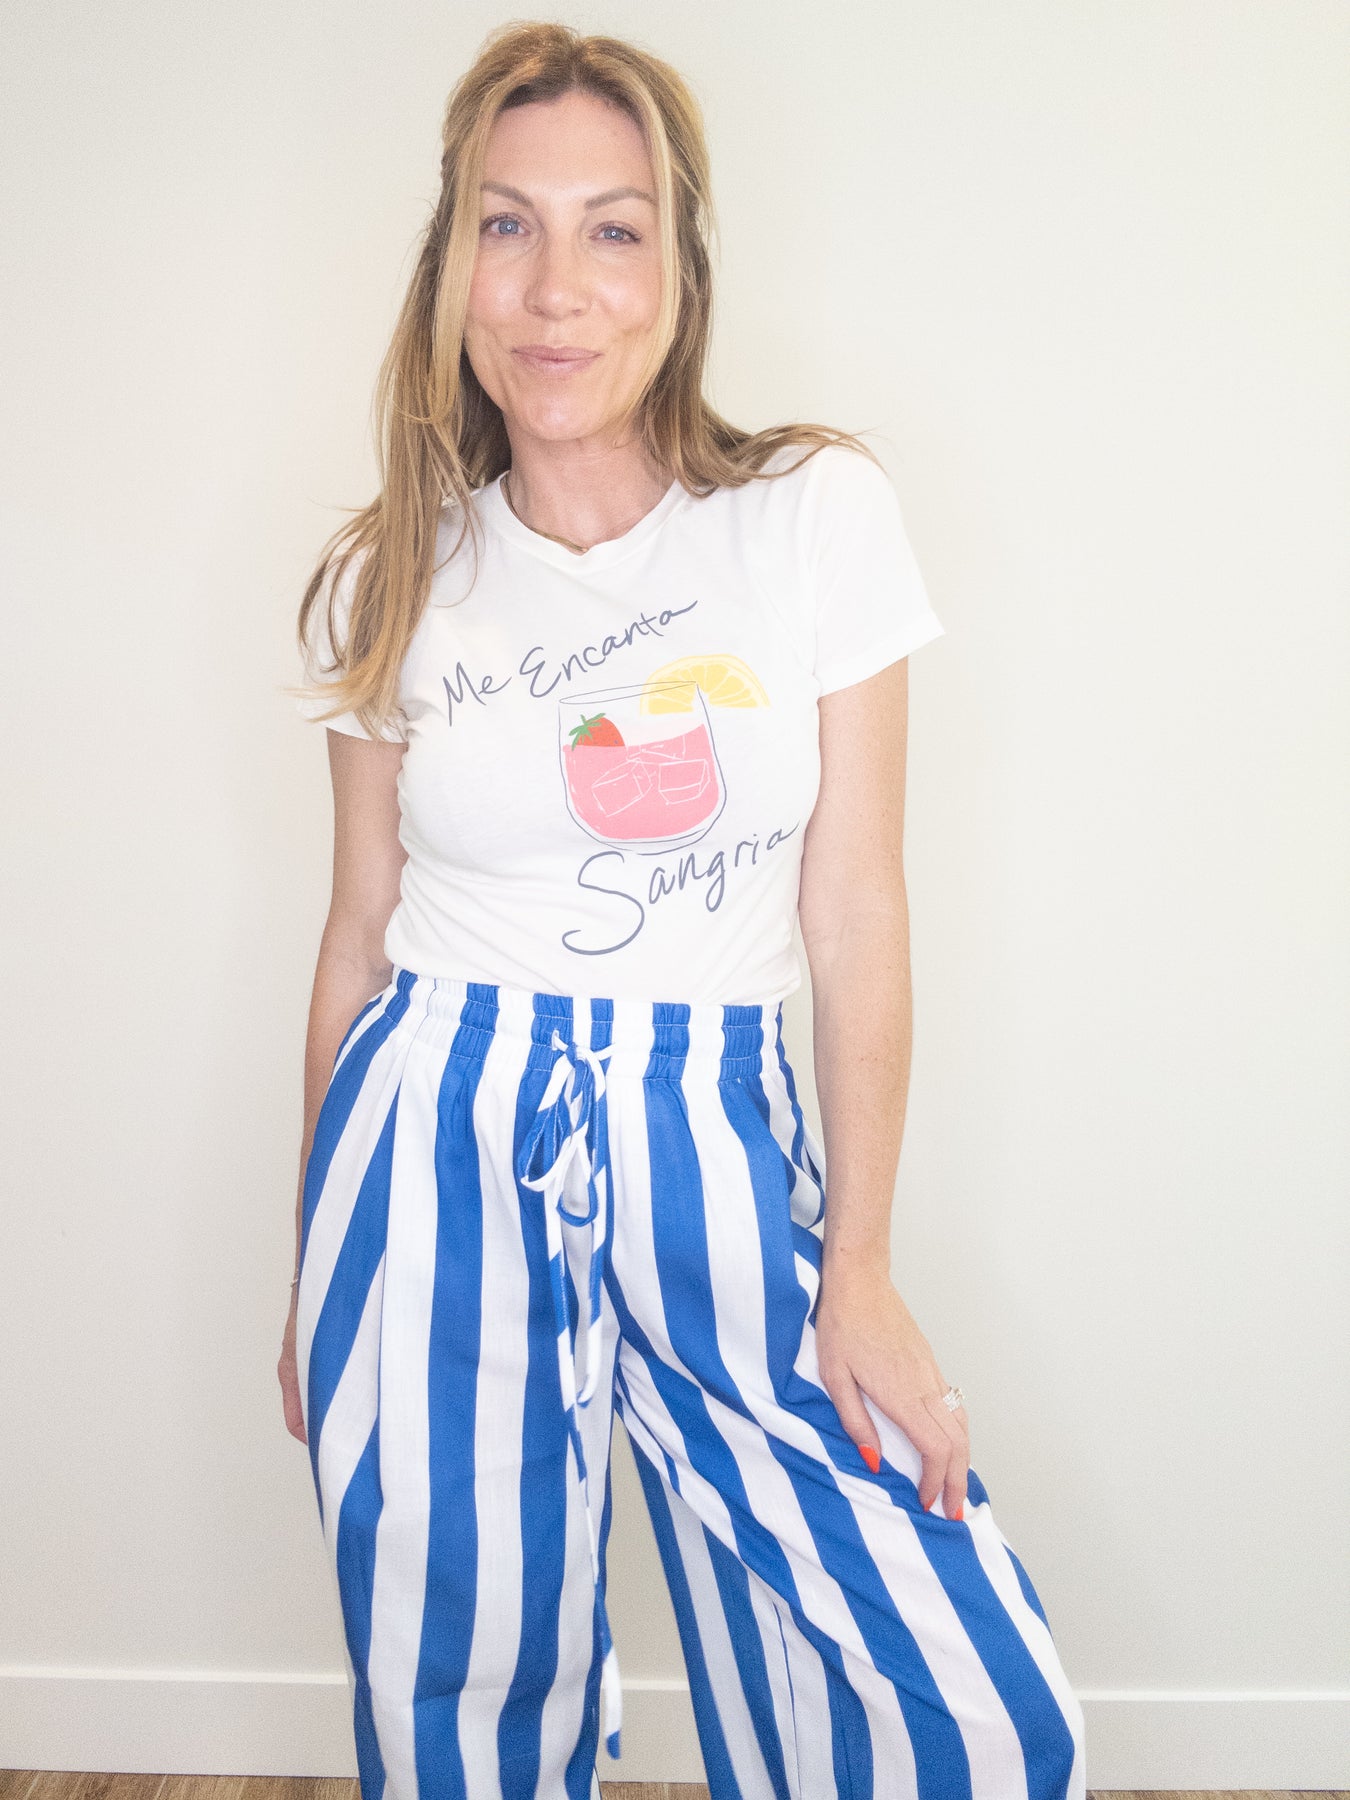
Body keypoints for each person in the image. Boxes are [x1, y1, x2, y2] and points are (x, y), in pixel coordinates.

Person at [278, 21, 1087, 1800]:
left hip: (707, 1121)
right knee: (459, 1679)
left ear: (680, 268)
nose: (553, 288)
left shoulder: (808, 516)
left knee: (955, 1695)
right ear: (450, 262)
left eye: (613, 229)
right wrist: (314, 1272)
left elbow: (854, 910)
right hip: (430, 1134)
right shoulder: (391, 575)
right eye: (506, 225)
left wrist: (856, 1265)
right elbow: (354, 937)